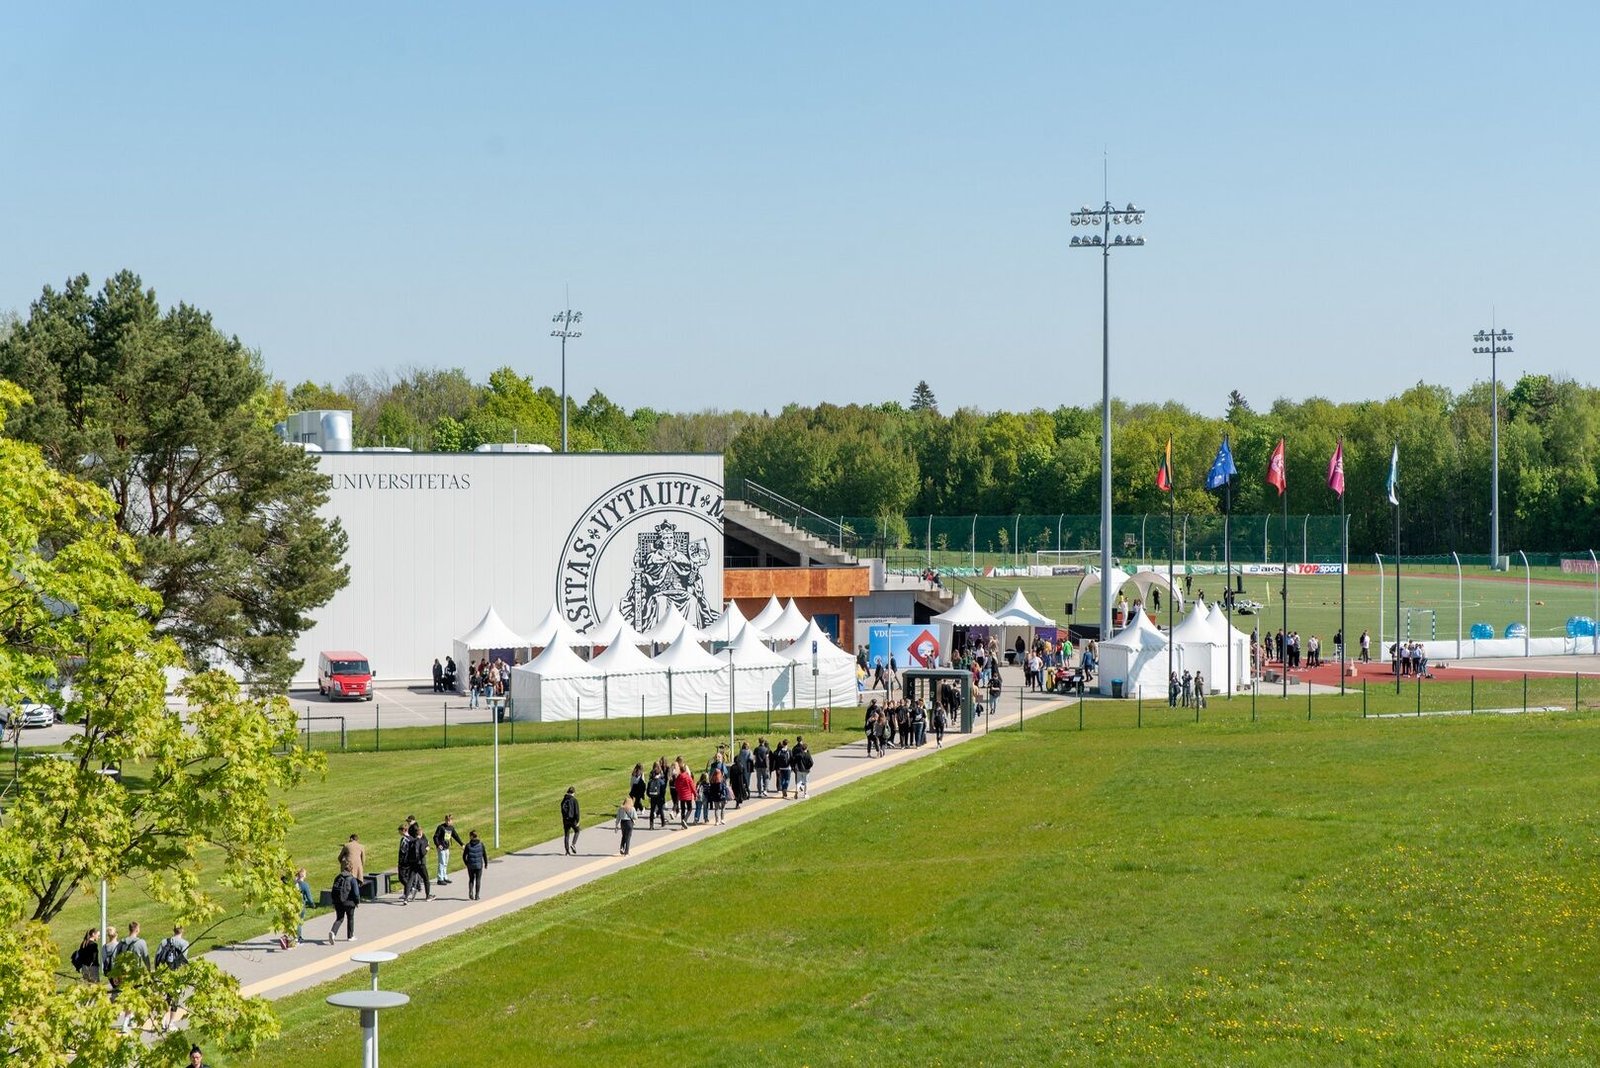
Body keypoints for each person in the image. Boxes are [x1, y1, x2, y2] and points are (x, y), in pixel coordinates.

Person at [329, 858, 362, 941]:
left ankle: (333, 932)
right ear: (351, 869)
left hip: (338, 901)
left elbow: (333, 890)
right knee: (350, 918)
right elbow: (356, 893)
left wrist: (333, 901)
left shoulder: (338, 878)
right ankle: (350, 936)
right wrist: (357, 901)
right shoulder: (352, 879)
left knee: (339, 918)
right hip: (349, 902)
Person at [434, 814, 464, 885]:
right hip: (441, 848)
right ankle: (440, 878)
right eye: (447, 820)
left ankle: (445, 877)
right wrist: (438, 845)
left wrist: (462, 844)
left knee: (446, 863)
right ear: (445, 820)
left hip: (446, 847)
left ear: (452, 821)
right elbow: (435, 837)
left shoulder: (451, 828)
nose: (448, 822)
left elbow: (455, 836)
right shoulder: (441, 827)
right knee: (442, 863)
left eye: (449, 820)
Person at [291, 868, 313, 946]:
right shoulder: (304, 885)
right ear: (303, 875)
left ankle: (294, 936)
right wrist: (312, 905)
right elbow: (309, 898)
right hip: (301, 905)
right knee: (299, 922)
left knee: (294, 921)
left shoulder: (293, 883)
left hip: (292, 904)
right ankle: (298, 938)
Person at [463, 829, 487, 900]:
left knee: (471, 879)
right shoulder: (481, 845)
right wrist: (486, 863)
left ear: (471, 836)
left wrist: (466, 863)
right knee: (478, 880)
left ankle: (470, 892)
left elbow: (464, 856)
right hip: (479, 865)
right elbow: (484, 855)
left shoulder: (468, 845)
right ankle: (477, 895)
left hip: (470, 865)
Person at [646, 763, 668, 828]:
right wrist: (662, 797)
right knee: (661, 810)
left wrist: (650, 796)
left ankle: (651, 824)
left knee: (652, 811)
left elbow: (647, 791)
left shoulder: (650, 781)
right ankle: (663, 822)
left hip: (653, 798)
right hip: (659, 798)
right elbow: (663, 791)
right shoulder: (661, 781)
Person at [561, 786, 582, 854]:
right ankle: (573, 844)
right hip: (573, 820)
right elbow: (577, 812)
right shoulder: (574, 800)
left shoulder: (564, 800)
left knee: (566, 835)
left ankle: (567, 851)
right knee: (577, 831)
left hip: (565, 820)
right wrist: (578, 820)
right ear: (573, 792)